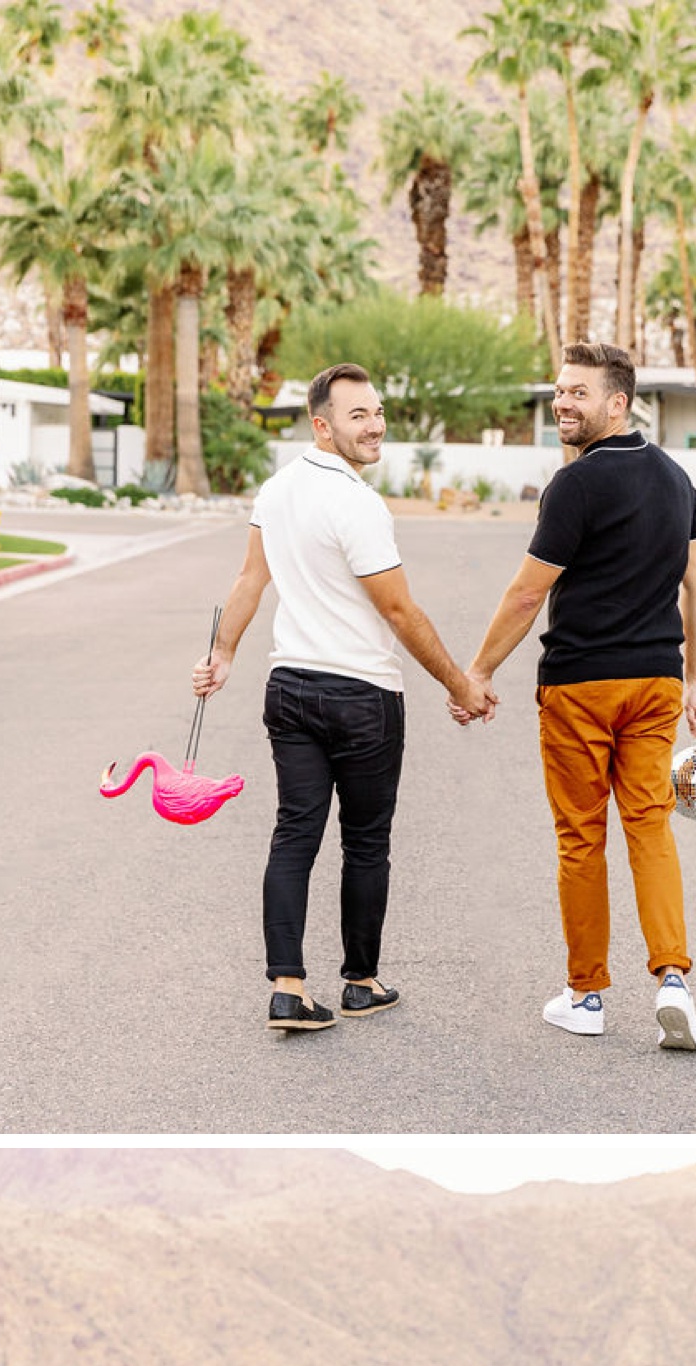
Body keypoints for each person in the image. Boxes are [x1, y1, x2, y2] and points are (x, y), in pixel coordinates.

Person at [193, 364, 492, 1034]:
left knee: (295, 832)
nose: (375, 423)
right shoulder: (356, 502)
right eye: (358, 414)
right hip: (360, 696)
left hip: (291, 688)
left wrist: (225, 653)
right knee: (364, 842)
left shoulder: (278, 489)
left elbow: (250, 579)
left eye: (378, 410)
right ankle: (360, 981)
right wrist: (460, 683)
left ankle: (288, 989)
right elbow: (399, 611)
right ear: (321, 425)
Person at [458, 343, 696, 1053]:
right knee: (650, 828)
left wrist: (477, 672)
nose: (563, 403)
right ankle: (673, 980)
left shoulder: (574, 486)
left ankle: (587, 995)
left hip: (580, 687)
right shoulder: (675, 480)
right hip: (657, 683)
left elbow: (526, 593)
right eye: (560, 391)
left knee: (582, 838)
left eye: (579, 392)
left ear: (618, 402)